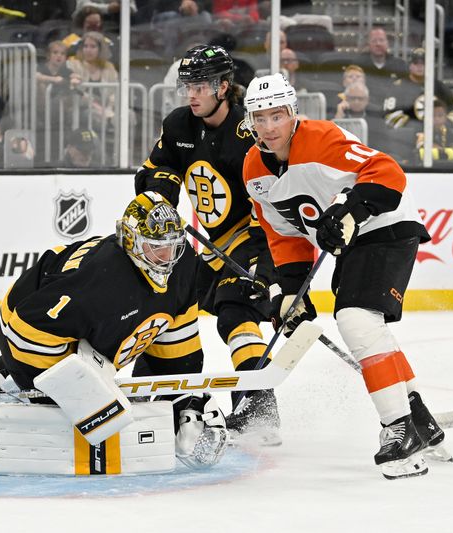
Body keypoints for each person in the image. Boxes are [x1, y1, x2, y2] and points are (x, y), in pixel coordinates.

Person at [241, 73, 450, 479]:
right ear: (250, 121)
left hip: (387, 227)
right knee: (364, 325)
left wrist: (353, 210)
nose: (269, 127)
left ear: (293, 113)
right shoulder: (254, 170)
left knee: (356, 318)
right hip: (356, 244)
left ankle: (398, 428)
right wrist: (290, 292)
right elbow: (284, 236)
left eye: (277, 115)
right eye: (260, 118)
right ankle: (417, 416)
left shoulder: (321, 138)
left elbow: (387, 172)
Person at [0, 191, 227, 471]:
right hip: (23, 324)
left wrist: (184, 399)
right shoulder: (98, 281)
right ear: (131, 241)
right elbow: (25, 330)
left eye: (173, 246)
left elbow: (178, 339)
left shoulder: (183, 264)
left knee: (103, 383)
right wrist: (69, 389)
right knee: (79, 403)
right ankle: (2, 380)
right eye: (156, 247)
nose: (167, 258)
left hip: (78, 328)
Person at [134, 44, 280, 444]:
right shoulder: (180, 125)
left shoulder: (248, 134)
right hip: (209, 245)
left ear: (223, 87)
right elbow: (157, 170)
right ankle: (154, 393)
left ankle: (259, 410)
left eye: (200, 85)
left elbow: (273, 203)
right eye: (188, 86)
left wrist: (268, 270)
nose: (192, 94)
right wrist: (163, 196)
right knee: (165, 305)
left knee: (236, 313)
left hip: (253, 236)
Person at [355, 27, 408, 108]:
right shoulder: (358, 65)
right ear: (369, 44)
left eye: (381, 40)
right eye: (374, 41)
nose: (378, 44)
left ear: (387, 43)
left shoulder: (400, 65)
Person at [415, 98, 453, 164]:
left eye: (440, 115)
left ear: (445, 117)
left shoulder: (448, 129)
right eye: (433, 115)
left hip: (445, 163)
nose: (436, 119)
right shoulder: (421, 128)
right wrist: (433, 146)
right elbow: (420, 143)